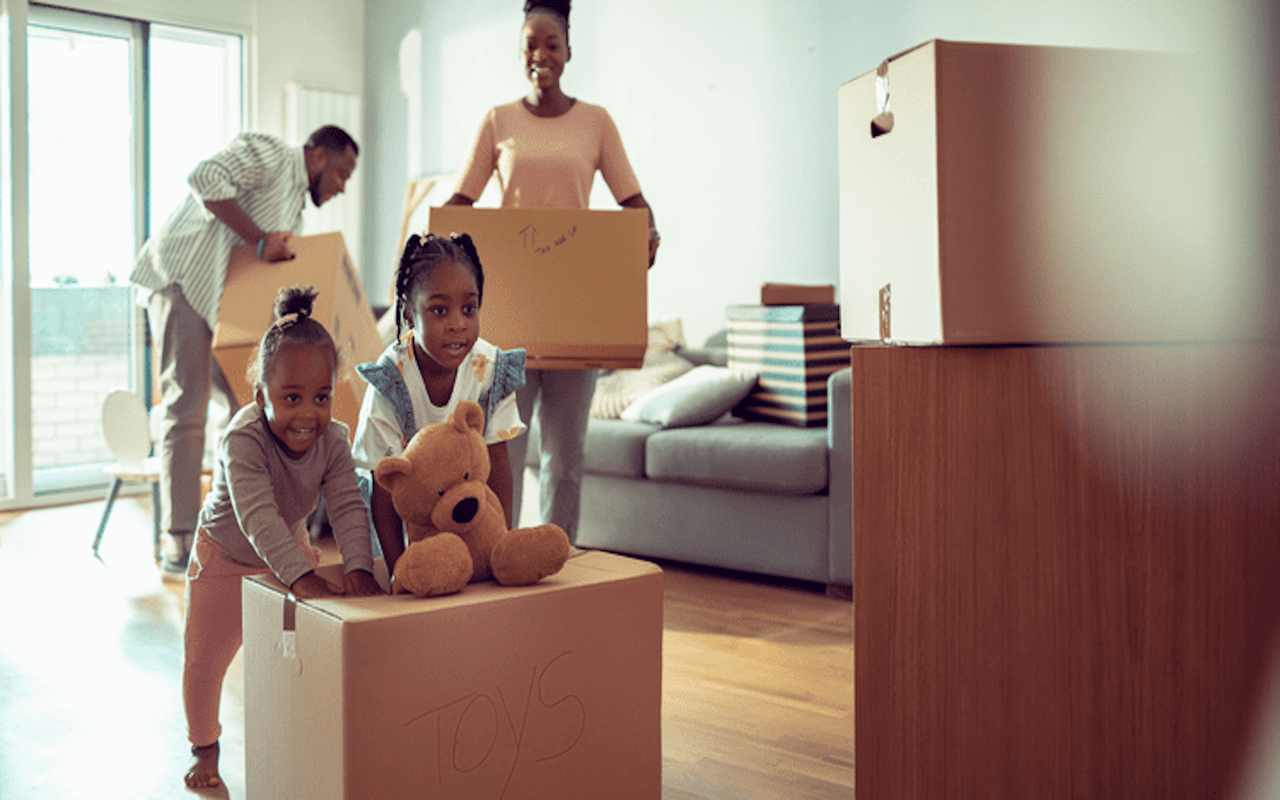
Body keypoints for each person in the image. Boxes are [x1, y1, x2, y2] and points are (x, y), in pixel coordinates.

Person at [444, 0, 658, 541]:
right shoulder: (498, 121)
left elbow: (635, 205)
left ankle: (555, 559)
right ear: (521, 54)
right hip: (510, 313)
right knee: (503, 455)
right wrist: (437, 246)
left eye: (551, 45)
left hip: (575, 314)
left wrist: (645, 237)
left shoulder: (596, 122)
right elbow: (459, 204)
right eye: (530, 47)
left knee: (565, 459)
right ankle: (496, 556)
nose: (540, 55)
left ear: (568, 52)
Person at [130, 125, 359, 579]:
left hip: (224, 312)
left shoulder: (294, 212)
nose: (341, 187)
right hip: (183, 283)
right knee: (187, 407)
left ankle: (245, 536)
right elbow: (204, 179)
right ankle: (178, 541)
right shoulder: (271, 154)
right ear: (317, 155)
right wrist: (257, 239)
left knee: (247, 412)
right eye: (341, 173)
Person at [181, 285, 382, 790]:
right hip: (226, 555)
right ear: (260, 396)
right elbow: (257, 517)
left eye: (321, 397)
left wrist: (358, 568)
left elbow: (347, 505)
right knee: (205, 663)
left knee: (297, 656)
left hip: (287, 552)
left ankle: (302, 733)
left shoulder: (334, 440)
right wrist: (303, 579)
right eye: (291, 398)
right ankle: (204, 746)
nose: (308, 413)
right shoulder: (241, 440)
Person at [351, 233, 526, 574]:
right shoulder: (390, 381)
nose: (458, 324)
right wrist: (399, 569)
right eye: (440, 310)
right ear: (410, 314)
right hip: (405, 511)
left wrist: (499, 545)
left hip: (465, 502)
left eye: (469, 308)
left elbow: (498, 464)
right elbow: (383, 490)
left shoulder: (491, 370)